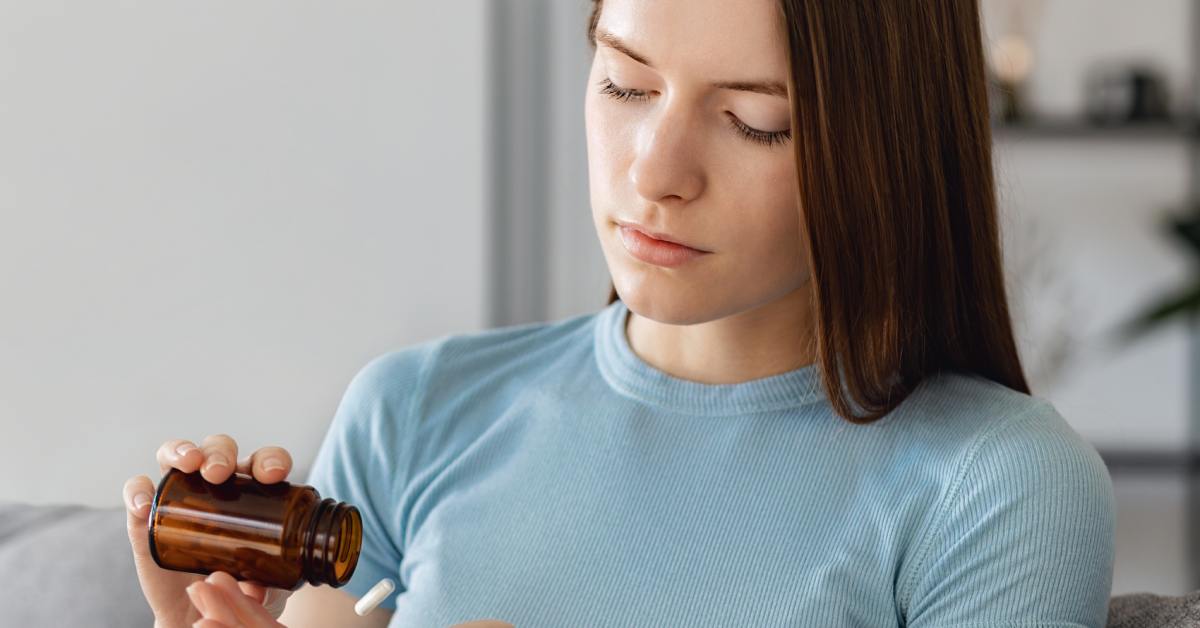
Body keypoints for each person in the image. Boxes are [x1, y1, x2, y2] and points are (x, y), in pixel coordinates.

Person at [123, 0, 1117, 626]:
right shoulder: (415, 408)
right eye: (625, 82)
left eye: (754, 122)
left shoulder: (994, 484)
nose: (654, 170)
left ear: (886, 144)